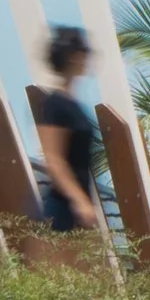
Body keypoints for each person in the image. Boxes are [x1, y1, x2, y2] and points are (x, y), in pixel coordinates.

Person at [31, 25, 103, 233]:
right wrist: (80, 201)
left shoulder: (73, 104)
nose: (88, 58)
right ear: (73, 56)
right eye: (85, 52)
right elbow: (53, 158)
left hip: (75, 211)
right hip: (61, 210)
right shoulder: (54, 103)